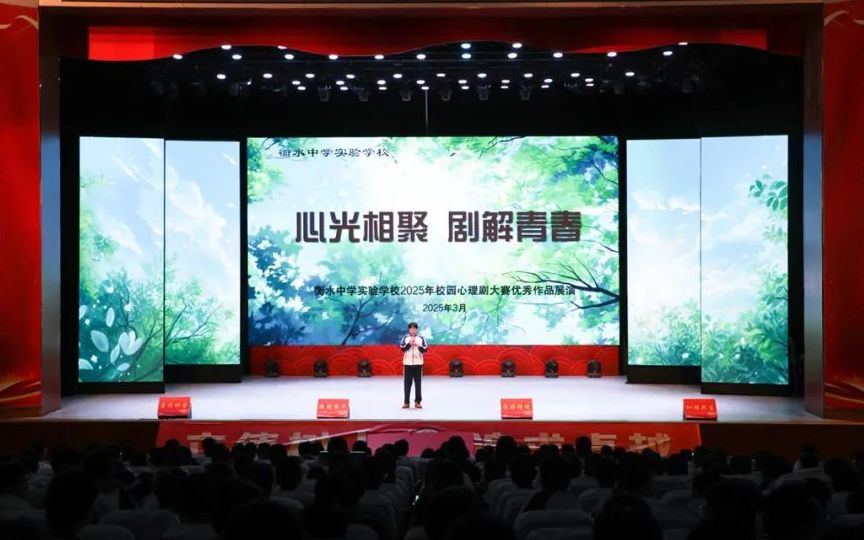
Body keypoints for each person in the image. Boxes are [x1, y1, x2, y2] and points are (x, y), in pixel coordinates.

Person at [400, 322, 428, 409]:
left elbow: (425, 349)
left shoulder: (421, 338)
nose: (413, 330)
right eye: (411, 328)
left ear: (417, 329)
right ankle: (406, 402)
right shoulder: (405, 337)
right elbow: (402, 348)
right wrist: (409, 344)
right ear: (409, 329)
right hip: (407, 364)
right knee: (407, 384)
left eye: (414, 328)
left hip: (418, 364)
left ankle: (418, 402)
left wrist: (418, 345)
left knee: (418, 384)